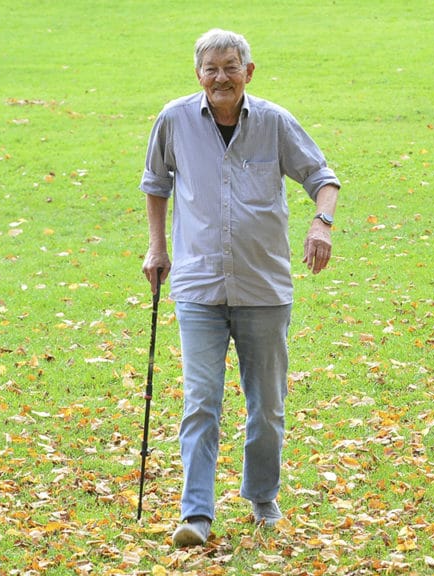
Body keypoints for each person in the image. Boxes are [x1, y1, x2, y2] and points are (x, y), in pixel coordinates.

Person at [140, 28, 340, 547]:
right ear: (198, 74)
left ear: (248, 72)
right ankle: (195, 514)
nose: (221, 77)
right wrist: (156, 248)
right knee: (201, 401)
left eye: (231, 67)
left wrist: (321, 223)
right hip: (199, 286)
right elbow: (155, 184)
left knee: (266, 405)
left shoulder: (273, 122)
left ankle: (262, 499)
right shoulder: (174, 120)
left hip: (263, 288)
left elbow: (322, 176)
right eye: (211, 69)